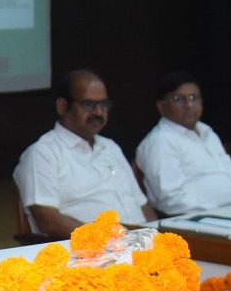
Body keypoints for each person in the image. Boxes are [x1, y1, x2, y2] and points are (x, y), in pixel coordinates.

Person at [15, 69, 154, 238]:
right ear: (62, 106)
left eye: (104, 104)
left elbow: (142, 205)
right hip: (95, 248)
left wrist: (157, 236)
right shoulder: (42, 153)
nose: (98, 112)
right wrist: (109, 240)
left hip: (141, 242)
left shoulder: (111, 147)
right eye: (88, 104)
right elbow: (48, 221)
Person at [134, 71, 231, 216]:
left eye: (193, 97)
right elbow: (170, 200)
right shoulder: (160, 141)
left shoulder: (207, 132)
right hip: (199, 218)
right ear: (161, 106)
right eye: (178, 99)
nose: (189, 105)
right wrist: (215, 211)